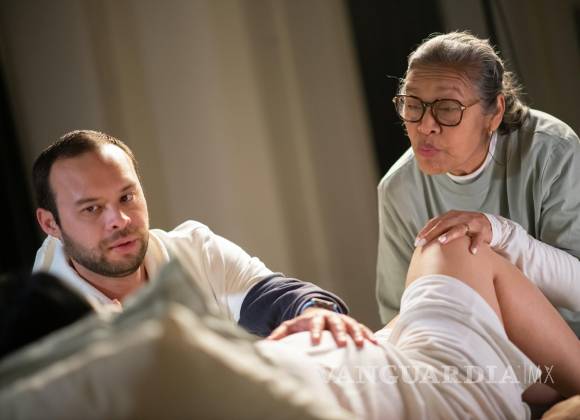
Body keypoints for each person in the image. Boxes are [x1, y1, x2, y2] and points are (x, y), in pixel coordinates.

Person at [32, 129, 376, 347]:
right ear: (50, 224)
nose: (118, 220)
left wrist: (315, 312)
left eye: (127, 197)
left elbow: (275, 297)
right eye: (91, 209)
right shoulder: (38, 326)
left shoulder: (194, 249)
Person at [376, 31, 580, 334]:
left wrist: (500, 234)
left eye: (447, 108)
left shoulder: (551, 150)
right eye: (413, 105)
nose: (425, 126)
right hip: (475, 350)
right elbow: (403, 312)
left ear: (494, 112)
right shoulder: (398, 188)